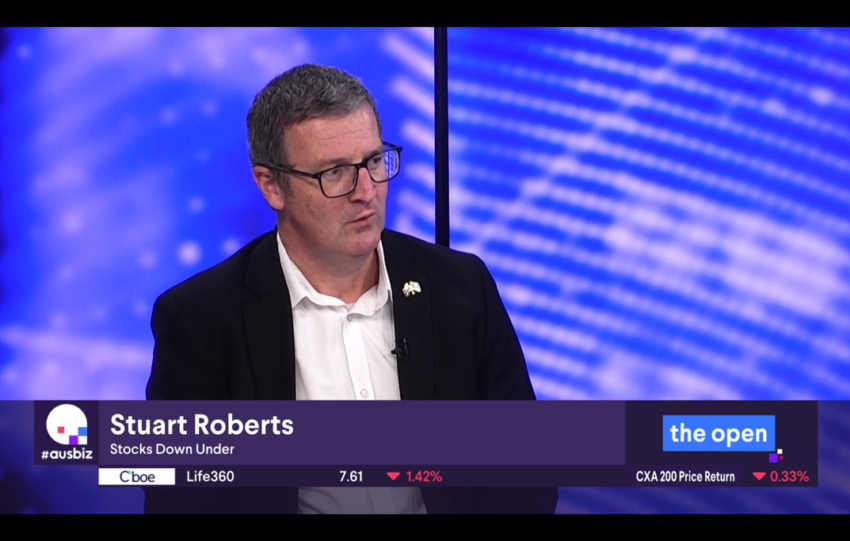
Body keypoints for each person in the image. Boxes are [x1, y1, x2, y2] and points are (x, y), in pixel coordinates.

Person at [144, 64, 558, 514]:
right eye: (335, 172)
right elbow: (181, 501)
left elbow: (526, 473)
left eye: (374, 161)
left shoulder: (460, 287)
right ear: (271, 186)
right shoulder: (201, 321)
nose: (366, 191)